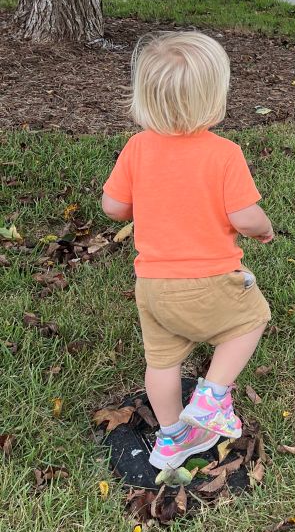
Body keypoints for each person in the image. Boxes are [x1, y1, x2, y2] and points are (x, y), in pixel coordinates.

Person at [102, 31, 274, 470]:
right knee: (251, 319)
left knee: (161, 363)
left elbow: (113, 207)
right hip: (209, 280)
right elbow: (245, 216)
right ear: (214, 97)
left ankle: (172, 437)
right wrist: (265, 230)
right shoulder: (224, 154)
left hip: (153, 286)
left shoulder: (137, 148)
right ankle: (213, 396)